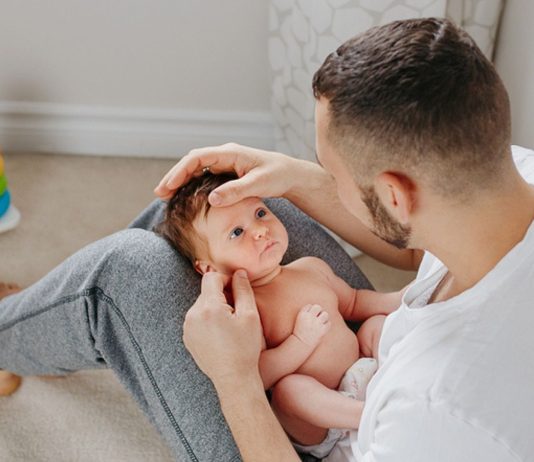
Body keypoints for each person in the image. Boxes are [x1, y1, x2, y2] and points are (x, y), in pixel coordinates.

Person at [159, 18, 534, 462]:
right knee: (180, 222)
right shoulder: (512, 171)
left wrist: (233, 378)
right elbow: (420, 249)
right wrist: (293, 176)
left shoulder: (438, 413)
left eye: (332, 175)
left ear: (394, 197)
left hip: (332, 428)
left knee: (125, 266)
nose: (323, 184)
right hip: (375, 365)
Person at [155, 171, 404, 458]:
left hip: (362, 370)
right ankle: (371, 416)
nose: (260, 230)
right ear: (209, 269)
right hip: (317, 423)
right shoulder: (244, 310)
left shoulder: (311, 267)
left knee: (376, 325)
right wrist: (300, 342)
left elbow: (354, 302)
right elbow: (258, 374)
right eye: (237, 233)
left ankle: (401, 380)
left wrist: (397, 301)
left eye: (260, 213)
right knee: (289, 391)